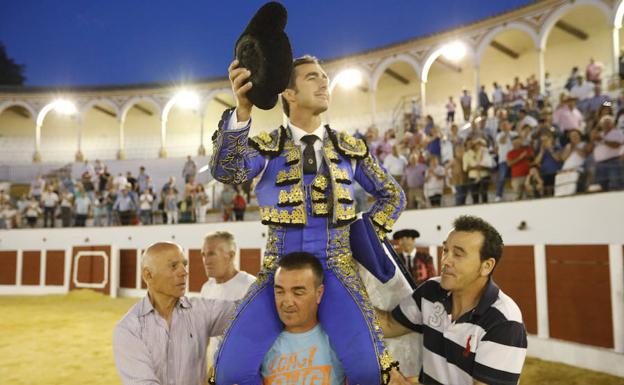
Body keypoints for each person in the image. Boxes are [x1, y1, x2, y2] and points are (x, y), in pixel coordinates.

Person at [210, 55, 405, 385]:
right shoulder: (267, 146)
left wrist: (363, 237)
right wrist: (243, 111)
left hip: (336, 269)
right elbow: (226, 171)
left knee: (370, 372)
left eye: (325, 77)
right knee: (228, 371)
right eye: (313, 77)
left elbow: (393, 195)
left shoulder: (350, 148)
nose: (324, 82)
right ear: (289, 92)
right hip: (279, 271)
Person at [377, 215, 528, 385]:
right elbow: (389, 324)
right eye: (446, 251)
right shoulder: (431, 291)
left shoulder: (504, 322)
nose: (446, 260)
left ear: (486, 266)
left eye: (458, 254)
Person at [112, 242, 235, 385]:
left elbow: (246, 311)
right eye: (173, 266)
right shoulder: (129, 329)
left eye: (184, 264)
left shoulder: (201, 310)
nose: (184, 272)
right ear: (148, 275)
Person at [261, 252, 345, 384]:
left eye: (298, 293)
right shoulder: (261, 345)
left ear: (319, 293)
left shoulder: (337, 342)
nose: (287, 302)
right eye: (280, 292)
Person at [200, 232, 256, 372]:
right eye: (203, 254)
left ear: (230, 255)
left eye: (212, 254)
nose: (206, 260)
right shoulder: (206, 288)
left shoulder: (251, 287)